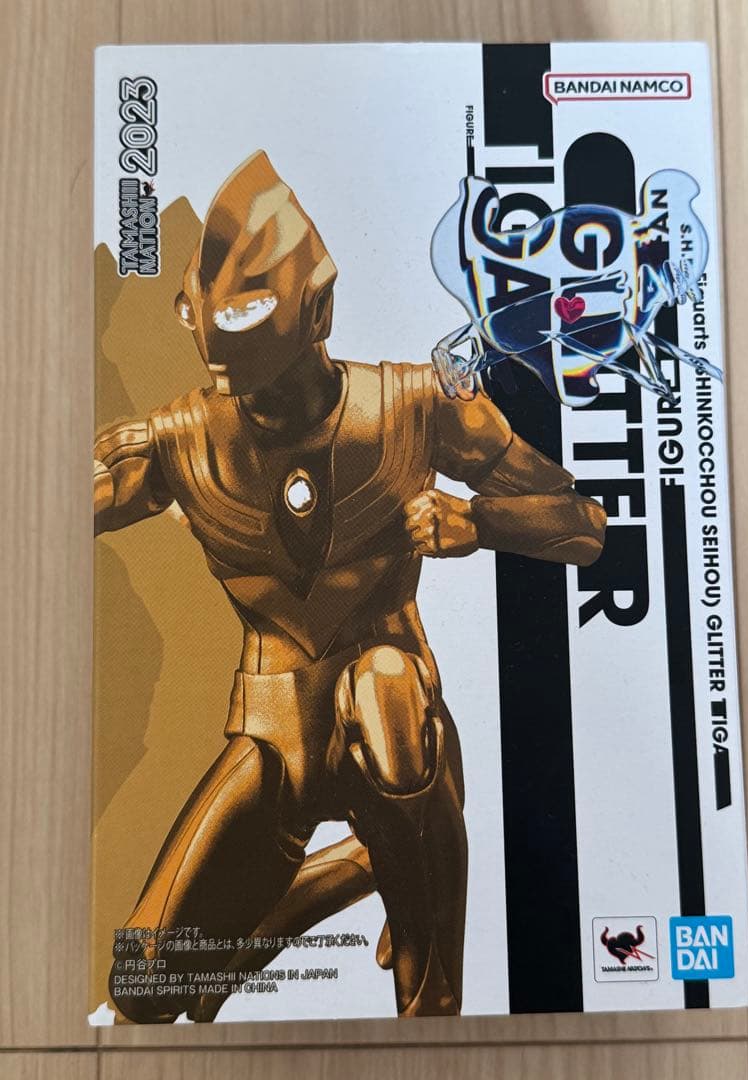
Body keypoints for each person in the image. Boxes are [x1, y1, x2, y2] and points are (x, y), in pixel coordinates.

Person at [94, 151, 606, 1022]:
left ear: (318, 313)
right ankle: (355, 867)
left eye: (268, 376)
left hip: (392, 724)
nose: (254, 409)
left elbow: (583, 525)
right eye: (233, 381)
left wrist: (477, 523)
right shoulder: (179, 442)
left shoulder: (418, 408)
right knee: (143, 984)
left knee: (385, 687)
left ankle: (429, 975)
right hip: (273, 736)